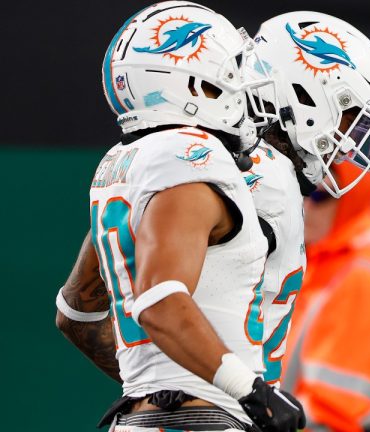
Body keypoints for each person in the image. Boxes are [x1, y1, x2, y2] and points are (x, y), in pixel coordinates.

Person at [54, 2, 305, 431]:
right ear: (191, 84)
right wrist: (249, 391)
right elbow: (160, 302)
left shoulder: (126, 160)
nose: (242, 85)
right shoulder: (190, 157)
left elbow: (75, 312)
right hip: (200, 421)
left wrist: (158, 388)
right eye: (231, 71)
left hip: (149, 419)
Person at [242, 11, 370, 387]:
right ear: (305, 97)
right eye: (349, 118)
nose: (348, 145)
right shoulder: (259, 185)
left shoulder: (251, 175)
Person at [280, 163, 370, 431]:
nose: (306, 205)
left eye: (321, 195)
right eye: (301, 191)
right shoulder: (322, 256)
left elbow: (335, 407)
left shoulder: (365, 275)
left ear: (352, 196)